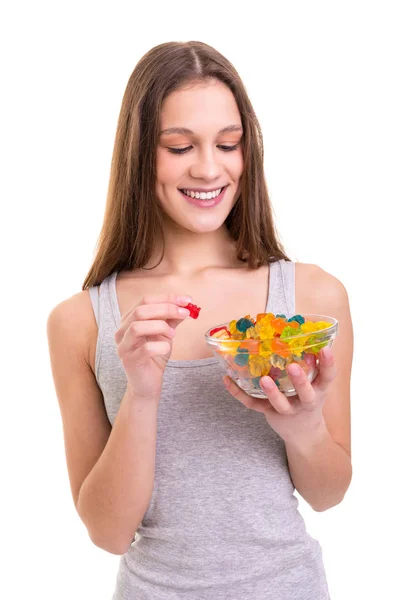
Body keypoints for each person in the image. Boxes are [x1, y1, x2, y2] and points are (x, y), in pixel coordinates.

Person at [46, 40, 353, 600]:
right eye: (180, 146)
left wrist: (303, 429)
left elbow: (330, 494)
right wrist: (141, 394)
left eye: (228, 144)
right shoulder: (81, 321)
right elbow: (109, 533)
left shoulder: (309, 297)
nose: (210, 168)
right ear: (141, 154)